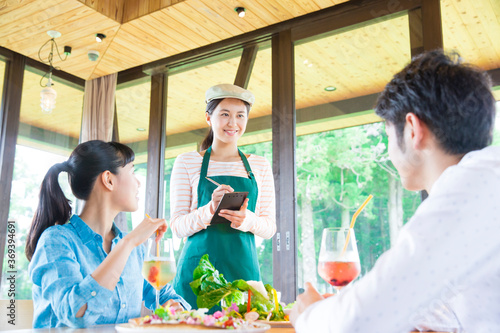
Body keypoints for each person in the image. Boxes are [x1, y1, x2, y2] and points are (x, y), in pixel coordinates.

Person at [291, 50, 500, 332]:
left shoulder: (470, 188)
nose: (390, 150)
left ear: (413, 129)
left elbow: (357, 321)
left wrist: (311, 314)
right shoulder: (485, 180)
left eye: (388, 135)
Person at [26, 140, 189, 328]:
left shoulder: (135, 252)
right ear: (109, 180)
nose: (138, 182)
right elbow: (76, 314)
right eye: (132, 172)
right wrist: (127, 243)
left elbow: (167, 297)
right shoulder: (56, 241)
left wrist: (176, 309)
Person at [170, 84, 276, 309]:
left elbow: (269, 228)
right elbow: (177, 227)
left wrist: (246, 220)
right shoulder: (187, 162)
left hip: (244, 274)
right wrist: (209, 209)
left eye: (240, 116)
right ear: (209, 118)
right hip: (197, 277)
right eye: (224, 114)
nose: (233, 123)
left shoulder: (259, 165)